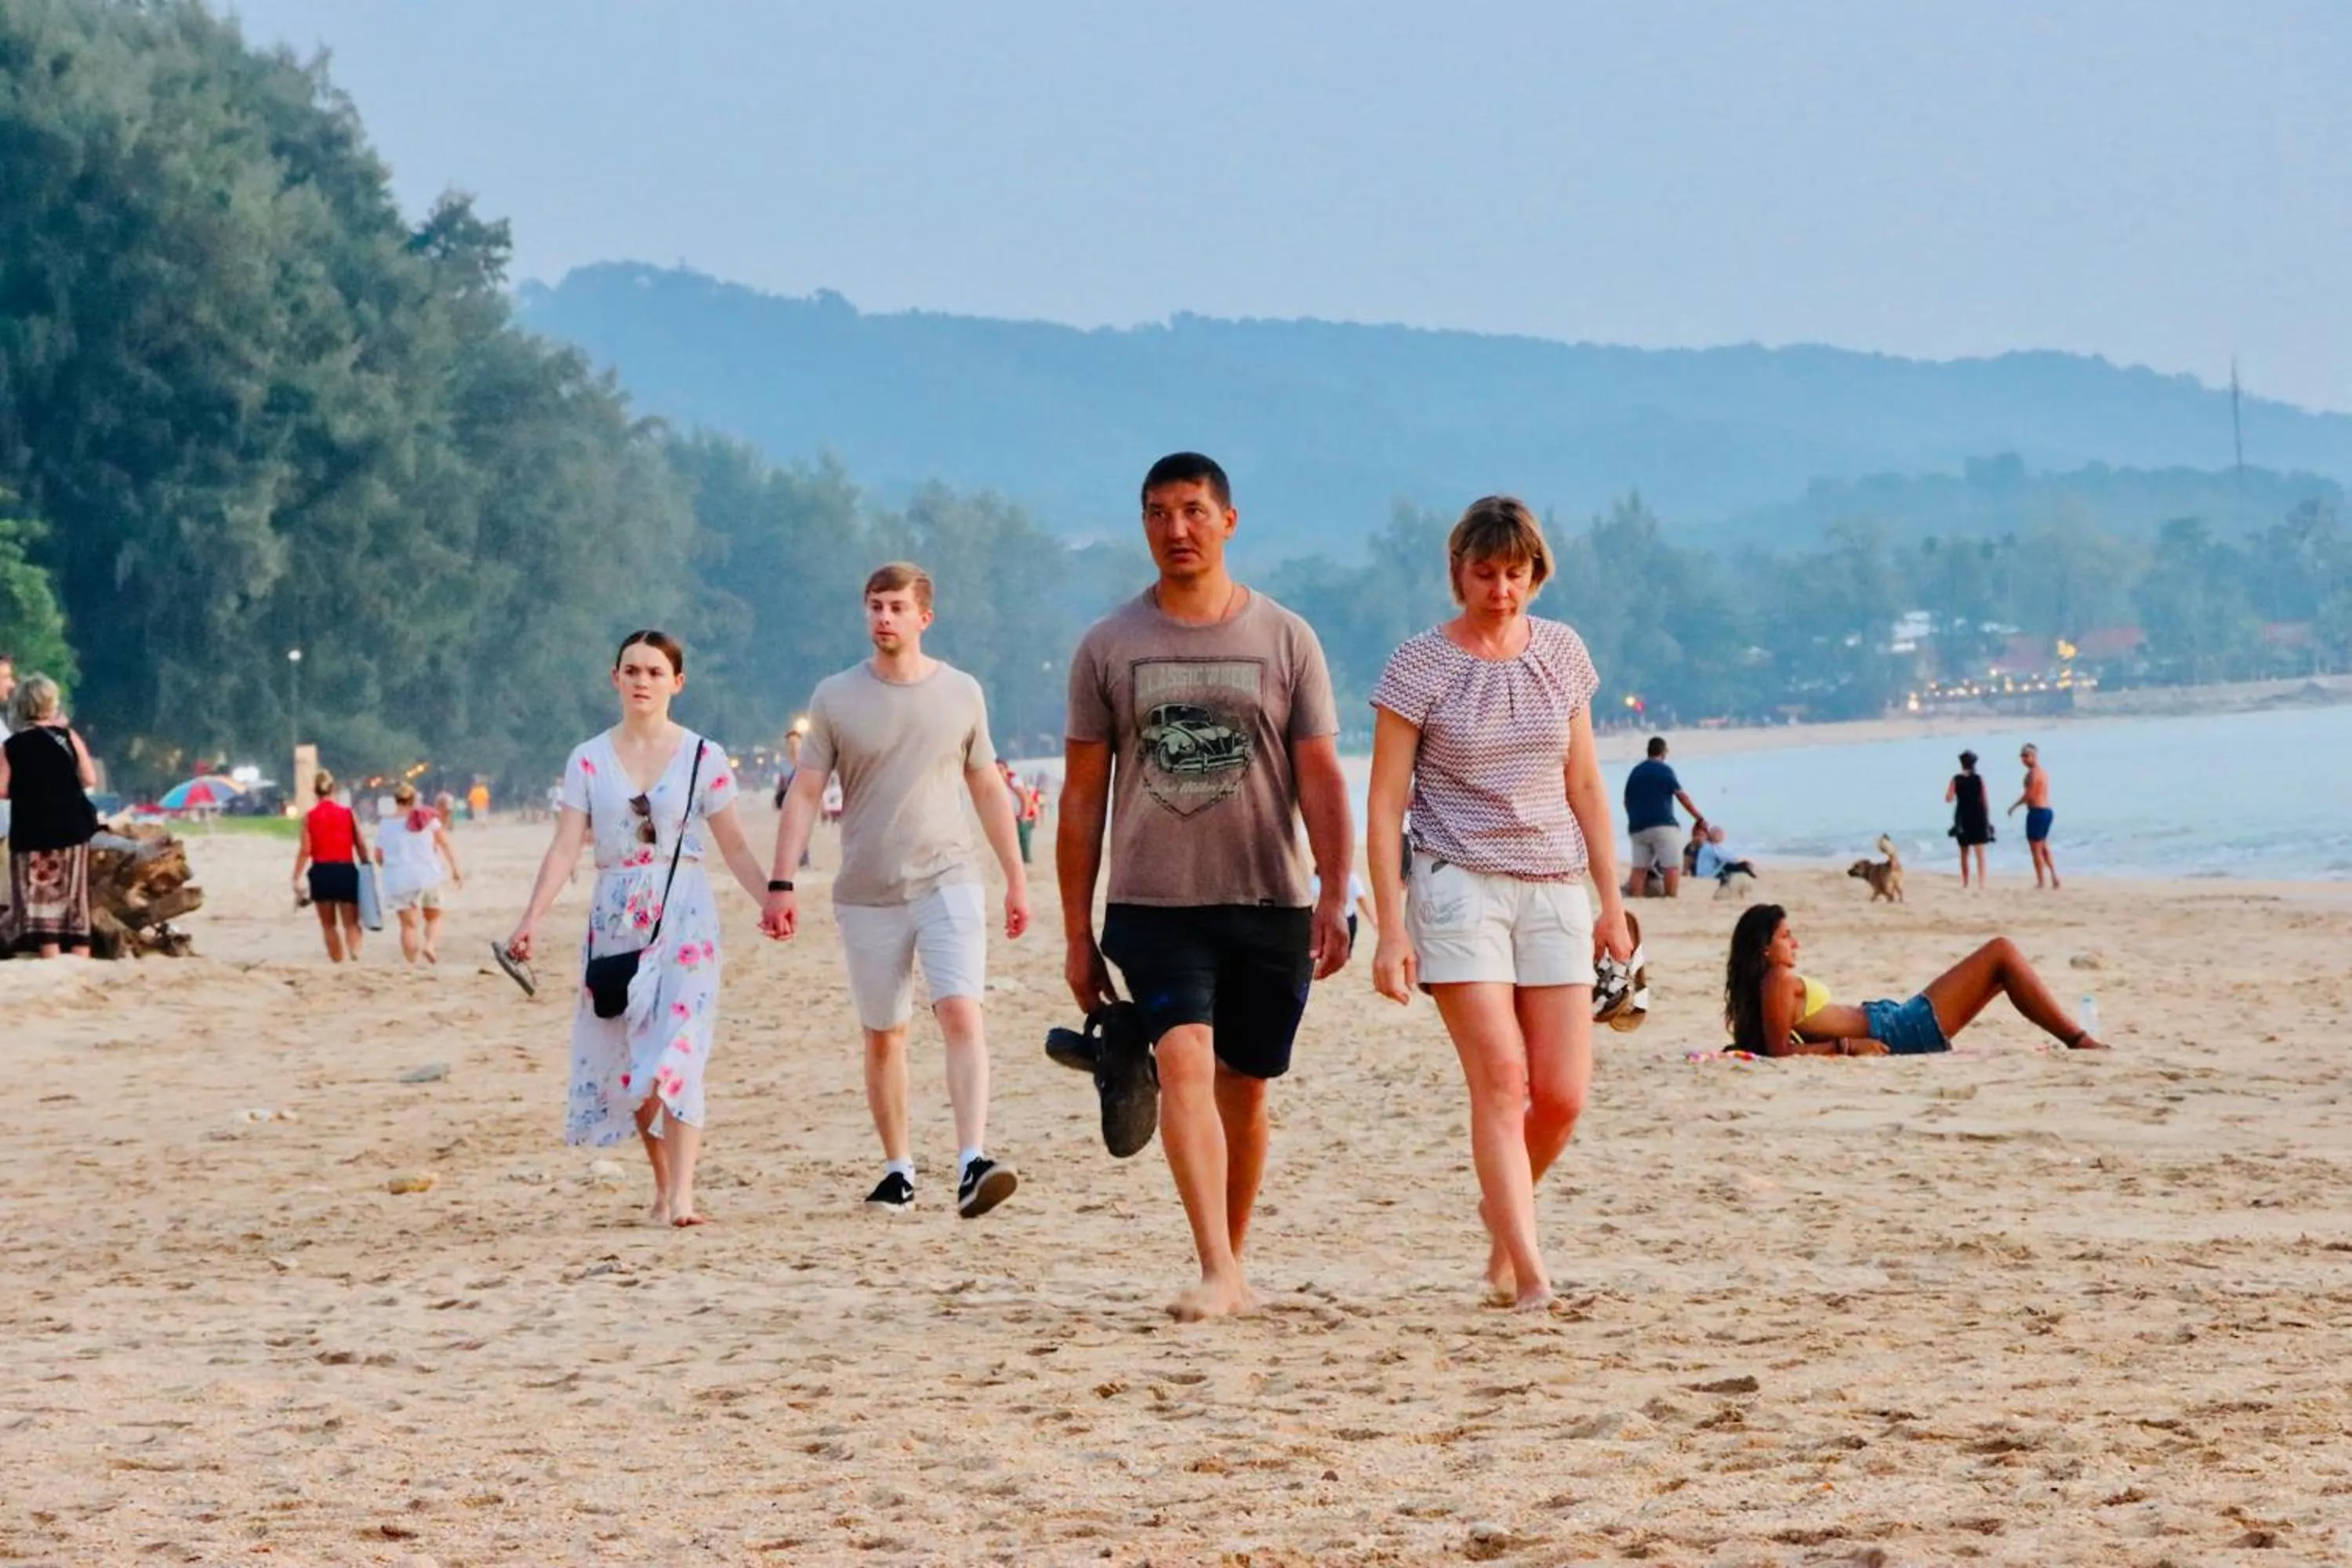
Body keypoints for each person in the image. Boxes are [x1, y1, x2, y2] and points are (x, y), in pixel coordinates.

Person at [1061, 452, 1354, 1322]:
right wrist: (1076, 932)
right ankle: (1216, 1267)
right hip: (1154, 903)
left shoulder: (1286, 638)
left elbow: (1321, 776)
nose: (1176, 529)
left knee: (1247, 1085)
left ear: (1229, 521)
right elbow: (1080, 800)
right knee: (1184, 1056)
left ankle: (1234, 1259)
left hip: (1268, 897)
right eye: (1158, 513)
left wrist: (1337, 891)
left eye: (1193, 511)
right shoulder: (1109, 645)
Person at [1367, 495, 1632, 1313]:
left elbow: (1584, 783)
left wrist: (1611, 901)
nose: (1501, 590)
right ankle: (1530, 1273)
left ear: (1535, 574)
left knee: (1562, 1093)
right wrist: (1389, 927)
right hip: (1457, 883)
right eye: (1485, 573)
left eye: (1515, 574)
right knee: (1502, 1078)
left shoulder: (1563, 653)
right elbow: (1384, 802)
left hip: (1554, 881)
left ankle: (1502, 1217)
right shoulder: (1419, 665)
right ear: (1458, 572)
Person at [762, 564, 1031, 1220]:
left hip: (948, 876)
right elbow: (805, 791)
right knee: (885, 1034)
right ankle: (899, 1170)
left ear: (923, 618)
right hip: (867, 889)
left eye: (896, 607)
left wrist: (1016, 877)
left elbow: (986, 786)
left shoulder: (961, 692)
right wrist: (781, 881)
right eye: (875, 606)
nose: (883, 617)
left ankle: (972, 1160)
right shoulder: (835, 697)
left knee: (960, 1011)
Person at [505, 630, 768, 1227]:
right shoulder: (588, 759)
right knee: (635, 1061)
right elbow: (565, 846)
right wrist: (531, 918)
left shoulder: (703, 757)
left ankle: (684, 1196)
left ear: (677, 682)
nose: (642, 681)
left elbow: (734, 844)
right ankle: (663, 1186)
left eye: (655, 672)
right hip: (617, 917)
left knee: (680, 1047)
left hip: (686, 915)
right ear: (615, 679)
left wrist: (772, 899)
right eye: (632, 670)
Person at [1724, 902, 2108, 1057]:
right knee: (2001, 952)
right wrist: (1847, 1046)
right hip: (1895, 1030)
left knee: (1998, 973)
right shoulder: (1778, 979)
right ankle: (2079, 1039)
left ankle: (2077, 1039)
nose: (1795, 943)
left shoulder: (1772, 983)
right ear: (1764, 948)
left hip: (1891, 1020)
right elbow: (1779, 1054)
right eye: (1786, 936)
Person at [0, 674, 100, 957]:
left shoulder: (12, 746)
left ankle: (50, 954)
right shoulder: (68, 737)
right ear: (51, 703)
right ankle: (81, 955)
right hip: (73, 828)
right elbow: (89, 778)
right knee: (74, 897)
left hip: (32, 832)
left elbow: (1, 789)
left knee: (40, 898)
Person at [375, 781, 464, 964]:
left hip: (399, 880)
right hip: (428, 876)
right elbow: (444, 844)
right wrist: (455, 870)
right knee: (434, 917)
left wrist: (388, 866)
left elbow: (379, 856)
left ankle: (411, 964)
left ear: (396, 800)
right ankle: (430, 945)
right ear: (414, 799)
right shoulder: (427, 818)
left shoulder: (385, 824)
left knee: (408, 925)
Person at [292, 768, 369, 962]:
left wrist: (296, 876)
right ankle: (355, 951)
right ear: (333, 789)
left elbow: (305, 849)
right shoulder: (348, 813)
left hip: (321, 872)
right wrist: (366, 864)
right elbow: (360, 843)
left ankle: (337, 962)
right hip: (345, 870)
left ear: (314, 790)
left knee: (328, 925)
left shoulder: (310, 817)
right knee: (351, 923)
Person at [1621, 736, 1705, 898]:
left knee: (1639, 868)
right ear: (1664, 752)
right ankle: (1670, 897)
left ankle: (1637, 896)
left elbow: (1626, 802)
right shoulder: (1664, 770)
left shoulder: (1635, 772)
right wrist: (1698, 817)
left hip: (1637, 828)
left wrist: (1635, 818)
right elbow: (1681, 796)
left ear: (1648, 751)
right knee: (1672, 865)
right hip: (1662, 825)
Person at [2009, 743, 2060, 889]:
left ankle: (2041, 881)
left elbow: (2029, 795)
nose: (2024, 759)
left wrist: (2014, 806)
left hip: (2038, 812)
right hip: (2046, 811)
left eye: (2026, 756)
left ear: (2034, 756)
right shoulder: (2041, 772)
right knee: (2043, 846)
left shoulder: (2034, 774)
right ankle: (2054, 877)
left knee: (2036, 849)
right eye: (2022, 756)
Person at [1947, 750, 1993, 887]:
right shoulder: (1979, 779)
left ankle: (1966, 882)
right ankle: (1981, 882)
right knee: (1980, 852)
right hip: (1978, 815)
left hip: (1962, 817)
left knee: (1964, 852)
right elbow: (1985, 800)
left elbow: (1949, 798)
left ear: (1962, 764)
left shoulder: (1956, 779)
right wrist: (1987, 820)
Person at [1692, 823, 1756, 883]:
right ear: (1715, 835)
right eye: (1721, 835)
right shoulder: (1710, 847)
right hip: (1707, 876)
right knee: (1735, 866)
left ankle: (1750, 877)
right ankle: (1753, 879)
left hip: (1705, 874)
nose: (1723, 837)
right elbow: (1729, 857)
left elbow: (1726, 856)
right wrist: (1742, 862)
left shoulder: (1709, 846)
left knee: (1734, 866)